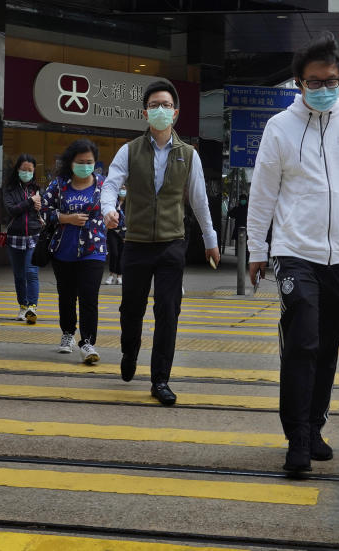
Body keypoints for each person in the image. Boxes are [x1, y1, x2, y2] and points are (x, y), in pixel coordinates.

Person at [246, 32, 339, 474]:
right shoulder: (280, 128)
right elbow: (263, 194)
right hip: (295, 251)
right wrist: (258, 248)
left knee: (328, 344)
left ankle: (315, 426)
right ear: (299, 82)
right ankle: (296, 438)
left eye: (331, 80)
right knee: (303, 341)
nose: (324, 87)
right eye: (314, 81)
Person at [101, 81, 221, 406]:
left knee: (168, 311)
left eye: (166, 105)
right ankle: (130, 351)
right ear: (145, 112)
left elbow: (199, 201)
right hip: (136, 243)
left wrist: (211, 241)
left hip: (171, 244)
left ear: (176, 112)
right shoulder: (129, 150)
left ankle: (160, 379)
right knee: (131, 310)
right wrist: (108, 210)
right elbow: (111, 184)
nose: (160, 109)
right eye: (155, 104)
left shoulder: (188, 155)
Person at [42, 138, 107, 364]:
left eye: (90, 161)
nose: (85, 165)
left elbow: (114, 211)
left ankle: (88, 342)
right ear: (71, 162)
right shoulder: (58, 185)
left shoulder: (103, 185)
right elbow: (44, 212)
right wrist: (66, 218)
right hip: (64, 250)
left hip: (94, 249)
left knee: (89, 297)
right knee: (67, 296)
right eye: (81, 161)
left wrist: (115, 218)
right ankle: (68, 333)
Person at [2, 154, 43, 323]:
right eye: (23, 169)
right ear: (17, 169)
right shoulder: (9, 189)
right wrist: (30, 202)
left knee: (31, 272)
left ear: (34, 171)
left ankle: (32, 307)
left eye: (30, 170)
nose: (27, 172)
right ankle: (23, 306)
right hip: (14, 237)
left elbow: (44, 209)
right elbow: (12, 209)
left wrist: (40, 206)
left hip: (33, 235)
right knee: (19, 275)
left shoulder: (37, 189)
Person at [105, 185, 126, 285]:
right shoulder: (113, 201)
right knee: (114, 253)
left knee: (121, 254)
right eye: (121, 188)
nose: (122, 190)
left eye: (124, 188)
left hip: (124, 233)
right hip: (112, 230)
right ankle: (111, 275)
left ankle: (119, 276)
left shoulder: (129, 203)